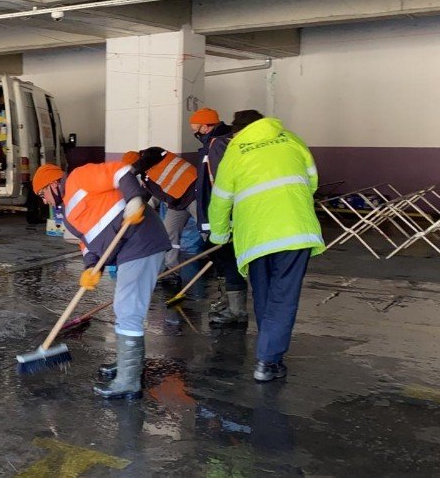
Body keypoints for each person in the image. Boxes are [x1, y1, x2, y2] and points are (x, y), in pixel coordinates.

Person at [32, 162, 170, 399]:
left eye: (42, 193)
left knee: (128, 309)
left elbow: (120, 172)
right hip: (128, 251)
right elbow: (88, 243)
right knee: (126, 309)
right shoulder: (67, 215)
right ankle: (129, 365)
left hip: (141, 240)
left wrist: (135, 198)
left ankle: (128, 380)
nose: (43, 200)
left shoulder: (79, 177)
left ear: (53, 183)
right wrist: (90, 268)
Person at [207, 110, 325, 383]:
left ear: (238, 131)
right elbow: (312, 181)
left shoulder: (235, 151)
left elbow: (221, 199)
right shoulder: (292, 140)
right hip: (295, 231)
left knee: (264, 295)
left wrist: (220, 235)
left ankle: (268, 355)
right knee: (283, 297)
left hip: (256, 237)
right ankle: (268, 360)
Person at [189, 108, 251, 325]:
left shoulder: (218, 145)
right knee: (220, 256)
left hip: (223, 214)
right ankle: (229, 299)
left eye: (195, 128)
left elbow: (219, 184)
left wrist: (217, 219)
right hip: (218, 213)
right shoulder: (215, 143)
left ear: (206, 126)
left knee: (227, 257)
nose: (194, 131)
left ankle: (236, 309)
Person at [124, 148, 198, 282]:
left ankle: (223, 262)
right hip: (177, 203)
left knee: (207, 229)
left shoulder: (154, 153)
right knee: (169, 234)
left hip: (193, 194)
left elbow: (146, 161)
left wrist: (130, 171)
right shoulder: (146, 176)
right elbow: (147, 195)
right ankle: (172, 269)